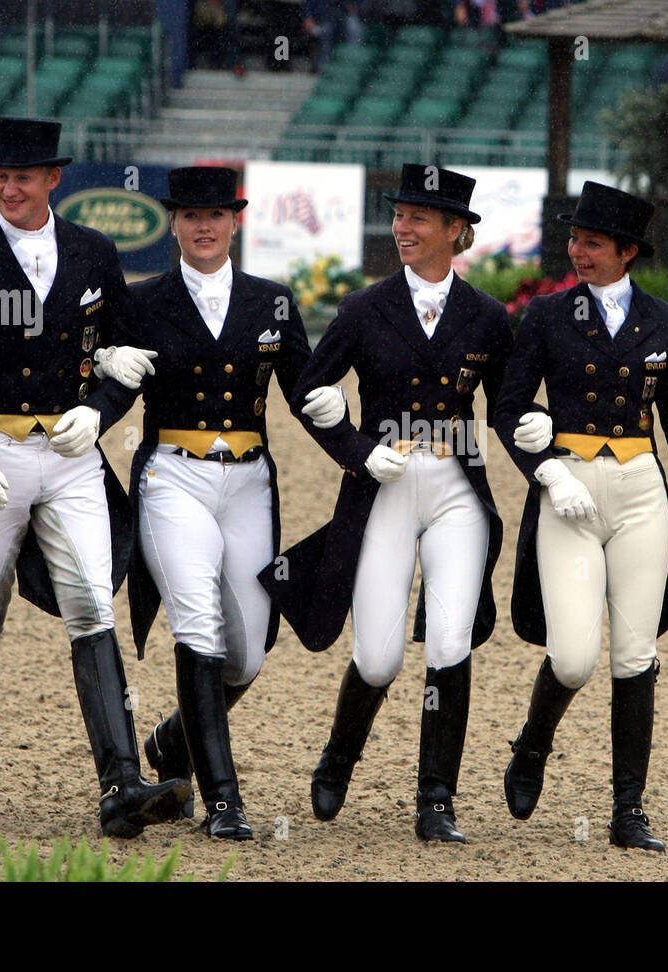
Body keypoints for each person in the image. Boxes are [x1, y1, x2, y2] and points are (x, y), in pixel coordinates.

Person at [0, 116, 191, 838]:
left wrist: (102, 408)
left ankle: (122, 783)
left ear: (53, 180)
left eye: (22, 177)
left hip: (70, 455)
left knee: (92, 607)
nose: (8, 188)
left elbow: (128, 347)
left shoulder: (93, 253)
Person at [261, 164, 514, 843]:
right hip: (386, 489)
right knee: (378, 658)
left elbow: (512, 407)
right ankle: (339, 754)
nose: (403, 226)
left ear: (455, 231)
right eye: (399, 215)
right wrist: (352, 444)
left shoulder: (489, 318)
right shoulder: (362, 308)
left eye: (419, 218)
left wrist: (551, 451)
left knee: (451, 640)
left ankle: (437, 799)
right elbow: (310, 394)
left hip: (457, 493)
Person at [492, 181, 668, 852]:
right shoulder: (546, 316)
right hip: (568, 491)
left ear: (627, 252)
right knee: (573, 659)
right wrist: (545, 470)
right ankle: (534, 743)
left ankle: (628, 810)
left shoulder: (664, 322)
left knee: (636, 655)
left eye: (593, 243)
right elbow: (508, 407)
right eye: (575, 240)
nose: (578, 252)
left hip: (640, 494)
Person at [111, 167, 315, 840]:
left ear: (237, 221)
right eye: (191, 214)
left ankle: (175, 740)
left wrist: (362, 442)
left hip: (249, 480)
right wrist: (96, 385)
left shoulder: (274, 302)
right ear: (173, 222)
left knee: (248, 654)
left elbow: (306, 396)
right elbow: (107, 380)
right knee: (196, 621)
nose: (204, 225)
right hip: (174, 476)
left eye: (217, 214)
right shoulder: (141, 301)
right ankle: (224, 801)